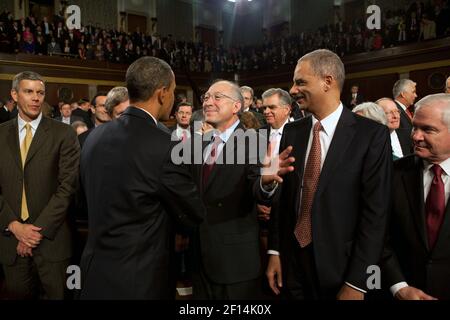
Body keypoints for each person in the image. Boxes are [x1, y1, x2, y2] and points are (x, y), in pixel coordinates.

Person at [266, 49, 392, 300]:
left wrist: (358, 282)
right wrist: (275, 251)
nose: (292, 90)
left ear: (328, 82)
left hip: (341, 268)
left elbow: (375, 215)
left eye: (300, 82)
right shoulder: (292, 132)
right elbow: (284, 198)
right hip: (292, 264)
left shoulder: (371, 135)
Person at [79, 57, 205, 300]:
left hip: (94, 273)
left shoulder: (93, 137)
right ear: (162, 93)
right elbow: (193, 213)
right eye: (173, 92)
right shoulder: (164, 144)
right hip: (140, 280)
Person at [186, 80, 293, 300]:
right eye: (206, 97)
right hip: (199, 259)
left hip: (234, 263)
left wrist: (265, 182)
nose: (208, 102)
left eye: (217, 97)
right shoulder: (200, 144)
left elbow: (258, 188)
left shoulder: (256, 141)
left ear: (236, 106)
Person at [0, 71, 80, 299]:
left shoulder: (64, 134)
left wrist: (33, 233)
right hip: (9, 242)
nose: (36, 97)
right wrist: (15, 226)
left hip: (52, 243)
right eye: (28, 91)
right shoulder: (0, 134)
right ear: (14, 95)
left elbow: (67, 188)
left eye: (40, 92)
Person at [381, 93, 450, 300]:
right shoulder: (392, 173)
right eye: (414, 127)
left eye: (428, 129)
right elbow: (378, 236)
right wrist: (399, 287)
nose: (416, 136)